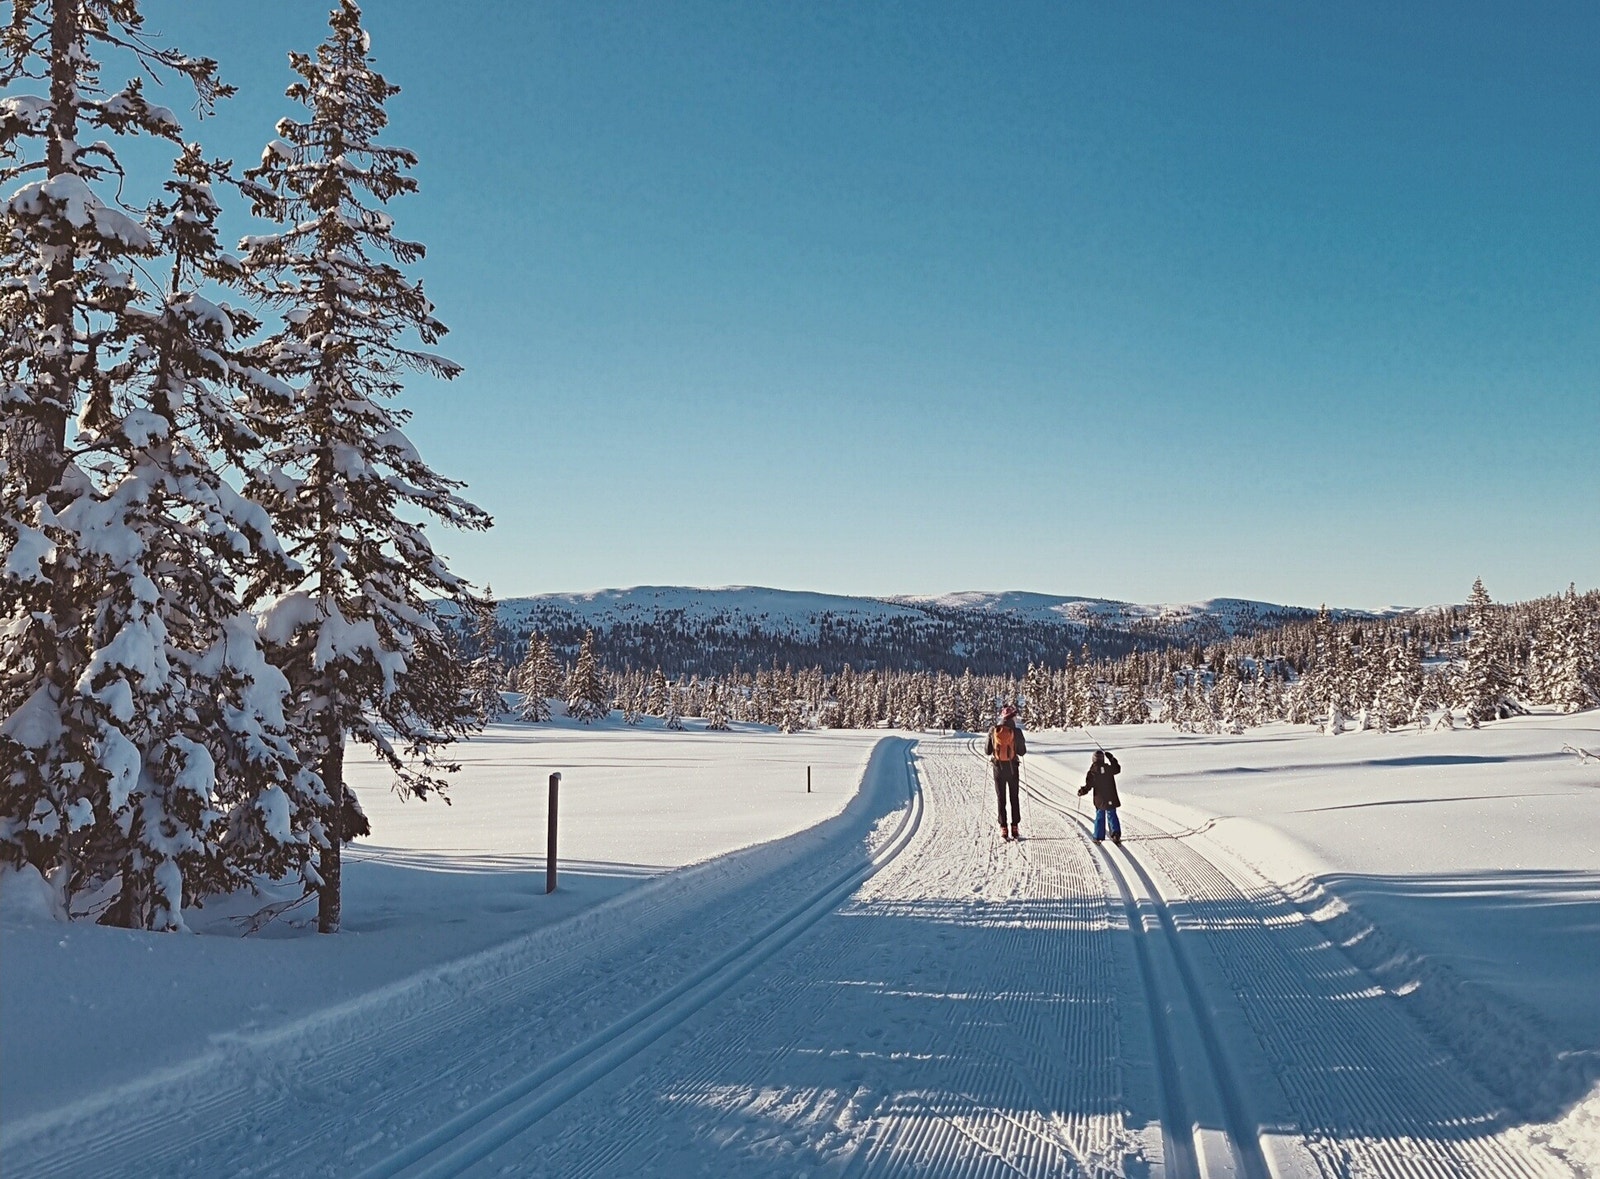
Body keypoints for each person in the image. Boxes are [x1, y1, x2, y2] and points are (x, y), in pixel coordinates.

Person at [985, 704, 1027, 840]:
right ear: (1012, 717)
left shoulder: (994, 730)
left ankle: (1003, 828)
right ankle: (1014, 827)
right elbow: (1022, 752)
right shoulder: (1017, 731)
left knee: (1001, 798)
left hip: (998, 768)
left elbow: (987, 751)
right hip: (1012, 768)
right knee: (1014, 797)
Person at [1078, 749, 1123, 844]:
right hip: (1111, 796)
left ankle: (1098, 837)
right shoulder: (1108, 769)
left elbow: (1089, 785)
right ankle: (1116, 835)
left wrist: (1082, 791)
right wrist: (1112, 759)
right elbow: (1117, 769)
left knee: (1100, 815)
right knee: (1112, 814)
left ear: (1093, 759)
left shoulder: (1092, 772)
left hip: (1100, 798)